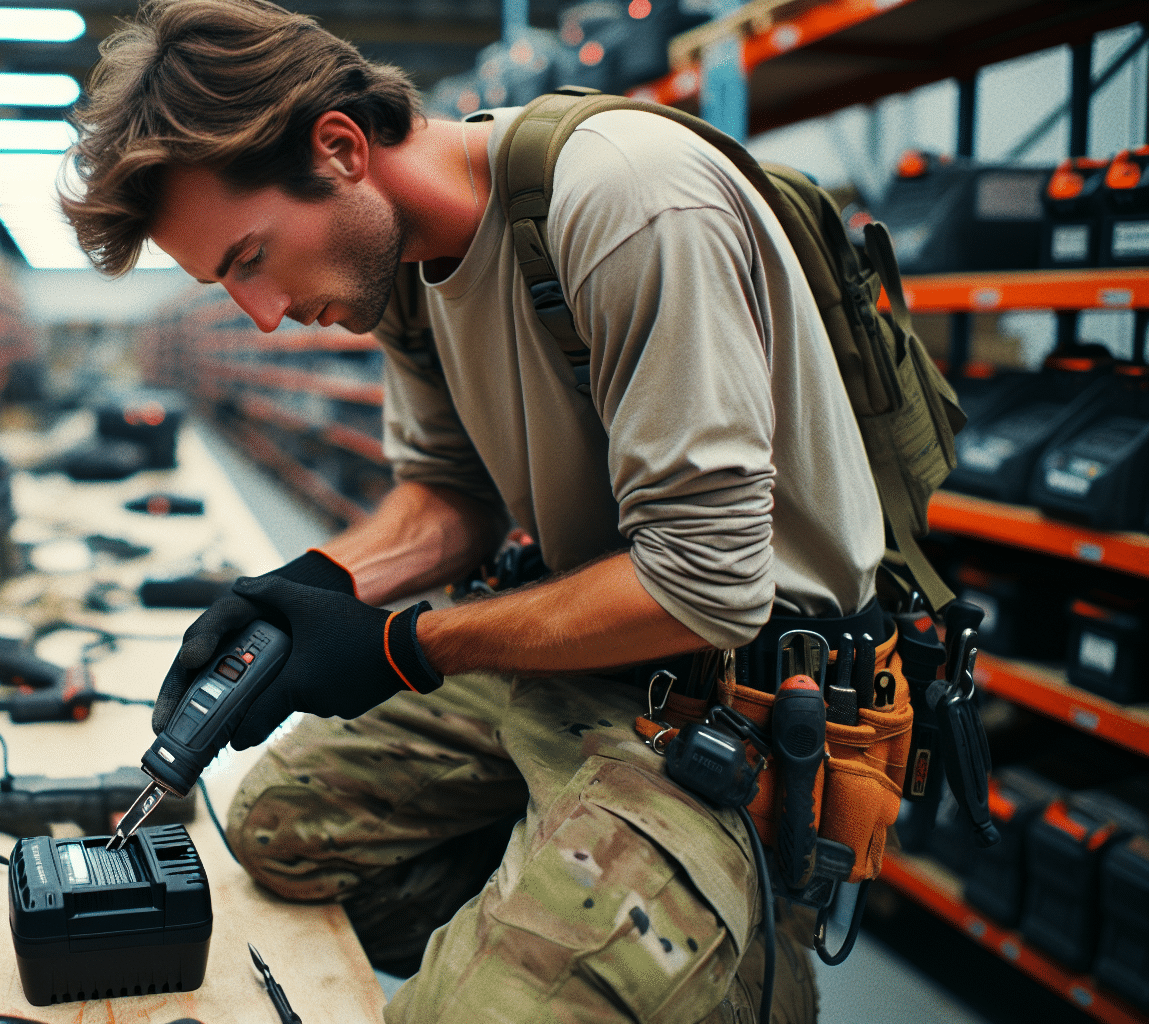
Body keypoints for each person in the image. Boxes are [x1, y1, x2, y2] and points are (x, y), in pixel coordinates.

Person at [62, 1, 884, 1020]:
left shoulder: (626, 200)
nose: (262, 315)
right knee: (277, 826)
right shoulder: (402, 266)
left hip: (718, 702)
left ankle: (713, 957)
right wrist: (312, 585)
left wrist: (409, 644)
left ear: (339, 147)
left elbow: (703, 582)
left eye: (248, 260)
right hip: (575, 660)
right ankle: (572, 923)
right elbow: (452, 496)